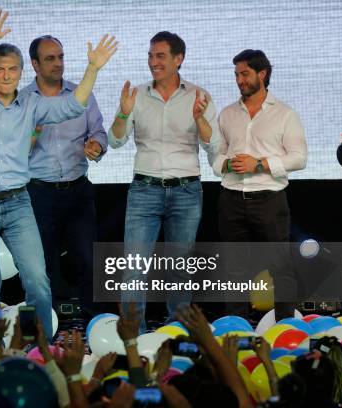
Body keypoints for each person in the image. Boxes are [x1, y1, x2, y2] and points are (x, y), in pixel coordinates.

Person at [0, 8, 117, 339]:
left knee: (38, 281)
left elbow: (73, 106)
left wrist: (92, 69)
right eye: (0, 69)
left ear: (22, 71)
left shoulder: (31, 105)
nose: (7, 74)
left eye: (13, 69)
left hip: (18, 204)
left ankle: (40, 344)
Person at [108, 32, 220, 331]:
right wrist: (123, 111)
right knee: (134, 269)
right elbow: (115, 140)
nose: (152, 62)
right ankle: (134, 337)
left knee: (179, 269)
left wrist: (200, 119)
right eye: (150, 56)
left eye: (159, 56)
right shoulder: (138, 95)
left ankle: (176, 332)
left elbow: (214, 146)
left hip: (186, 191)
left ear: (178, 59)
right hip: (144, 190)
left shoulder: (199, 95)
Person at [213, 49, 307, 320]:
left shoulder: (285, 114)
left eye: (245, 74)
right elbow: (216, 155)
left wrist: (260, 164)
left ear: (262, 74)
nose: (239, 80)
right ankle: (238, 330)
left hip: (269, 200)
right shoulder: (227, 114)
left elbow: (299, 158)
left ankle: (285, 326)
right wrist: (228, 164)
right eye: (236, 75)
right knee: (234, 269)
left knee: (279, 267)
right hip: (231, 199)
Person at [23, 35, 107, 318]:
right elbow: (9, 151)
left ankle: (93, 324)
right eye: (50, 58)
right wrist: (28, 139)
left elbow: (98, 131)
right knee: (41, 265)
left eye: (60, 57)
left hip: (77, 191)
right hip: (39, 193)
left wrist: (96, 145)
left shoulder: (80, 93)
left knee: (87, 260)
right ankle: (45, 327)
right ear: (34, 64)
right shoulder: (22, 101)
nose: (58, 63)